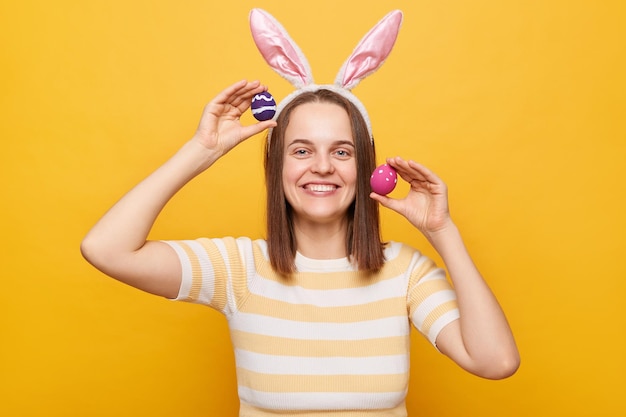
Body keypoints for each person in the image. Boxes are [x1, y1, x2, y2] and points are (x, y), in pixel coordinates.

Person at [81, 79, 520, 416]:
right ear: (277, 166)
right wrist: (202, 149)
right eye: (302, 150)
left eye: (342, 152)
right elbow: (106, 248)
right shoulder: (239, 268)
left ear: (364, 166)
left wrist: (442, 231)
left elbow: (496, 361)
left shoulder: (404, 271)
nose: (323, 166)